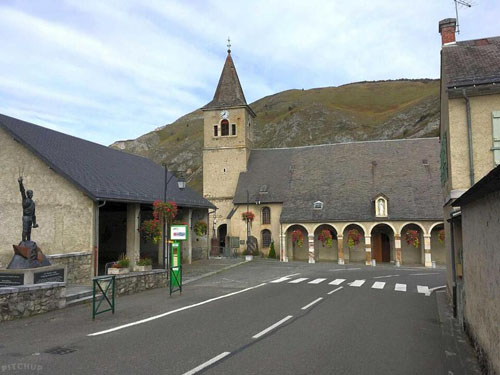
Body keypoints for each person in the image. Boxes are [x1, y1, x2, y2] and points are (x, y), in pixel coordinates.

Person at [18, 177, 38, 242]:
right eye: (30, 193)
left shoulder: (33, 203)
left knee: (29, 232)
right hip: (26, 217)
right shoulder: (25, 199)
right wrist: (20, 183)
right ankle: (23, 242)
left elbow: (34, 214)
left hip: (30, 218)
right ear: (28, 194)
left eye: (32, 193)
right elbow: (22, 191)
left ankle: (28, 243)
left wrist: (34, 223)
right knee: (25, 231)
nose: (32, 194)